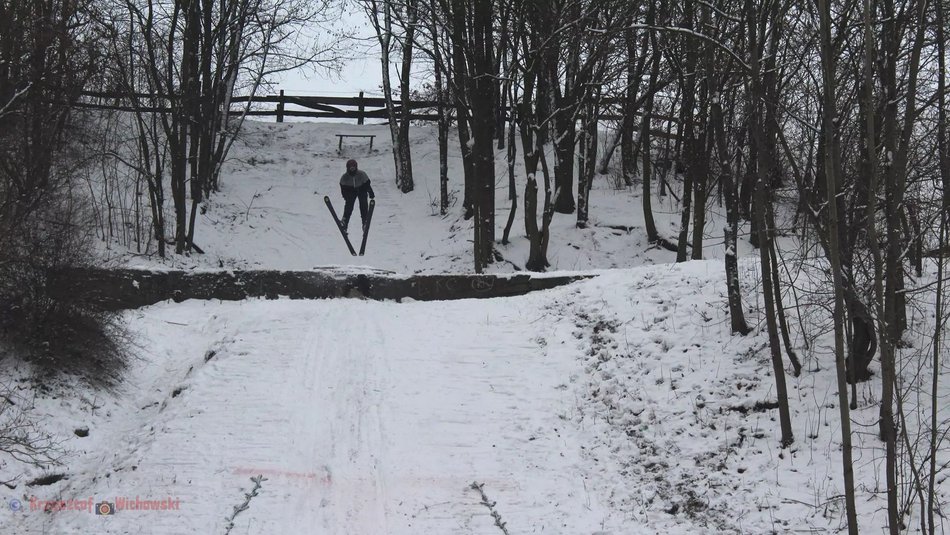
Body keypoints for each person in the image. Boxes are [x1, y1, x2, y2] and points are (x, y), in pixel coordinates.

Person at [339, 159, 375, 233]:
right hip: (351, 191)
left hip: (361, 189)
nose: (352, 169)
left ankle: (365, 222)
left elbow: (367, 184)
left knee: (363, 204)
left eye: (353, 167)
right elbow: (343, 188)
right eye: (350, 168)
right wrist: (345, 196)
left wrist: (371, 193)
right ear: (347, 168)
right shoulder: (344, 177)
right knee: (349, 206)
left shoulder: (362, 174)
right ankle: (345, 222)